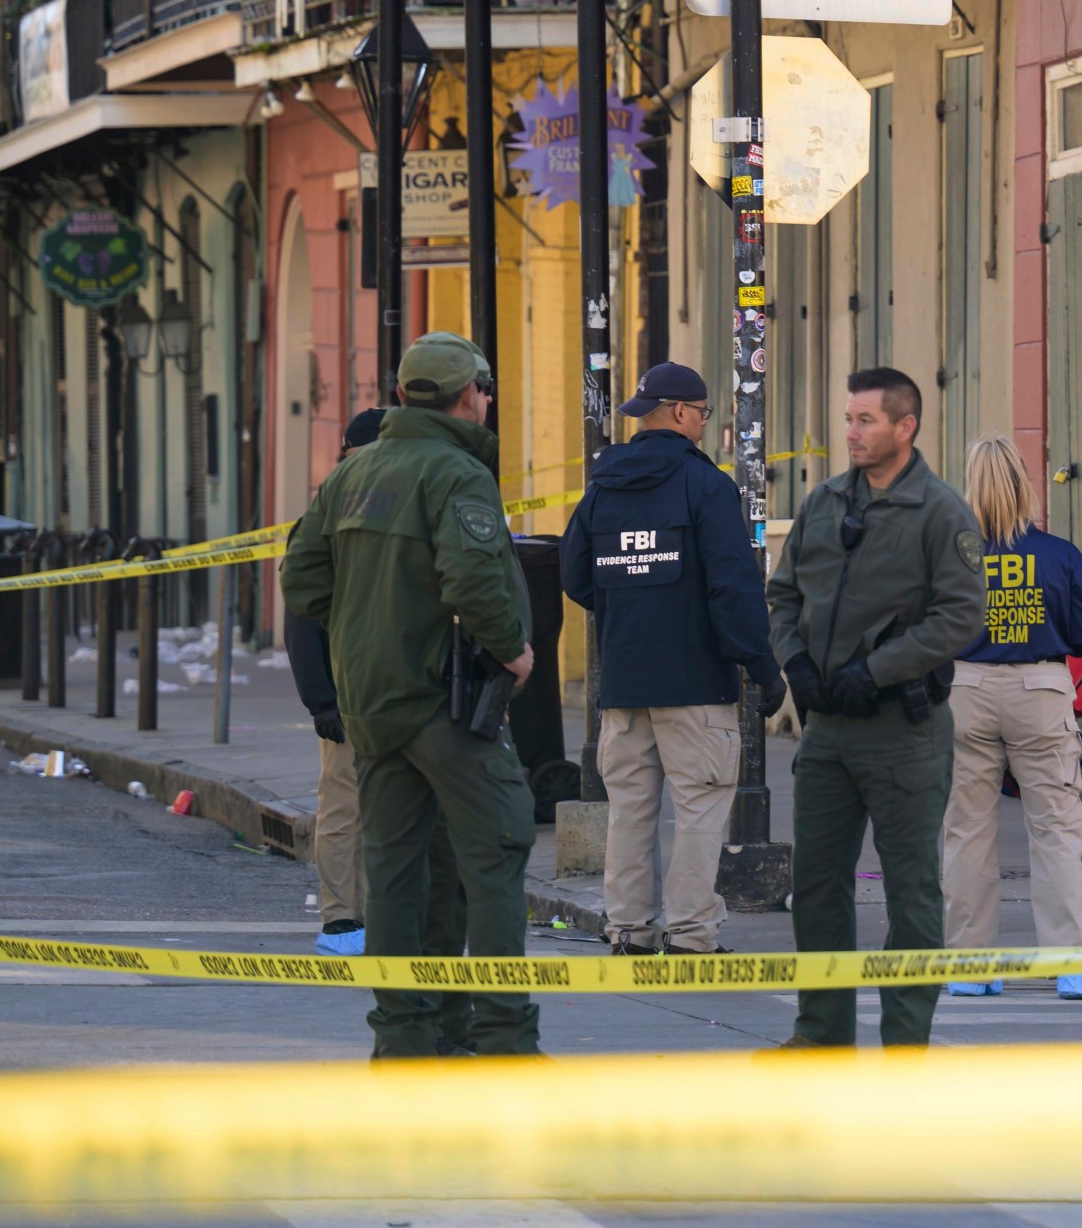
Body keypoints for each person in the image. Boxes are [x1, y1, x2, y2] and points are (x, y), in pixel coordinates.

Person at [281, 331, 541, 1058]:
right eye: (484, 392)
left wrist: (369, 621)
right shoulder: (455, 473)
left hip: (370, 704)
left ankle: (406, 1038)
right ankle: (501, 1035)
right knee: (497, 842)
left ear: (402, 395)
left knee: (398, 869)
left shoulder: (351, 475)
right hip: (440, 699)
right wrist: (512, 652)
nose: (486, 404)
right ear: (470, 398)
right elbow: (474, 582)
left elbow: (301, 579)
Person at [766, 367, 986, 1049]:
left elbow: (960, 617)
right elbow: (782, 596)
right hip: (828, 731)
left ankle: (905, 1048)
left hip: (903, 732)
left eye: (866, 421)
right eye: (849, 419)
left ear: (905, 427)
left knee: (911, 892)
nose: (852, 433)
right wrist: (794, 662)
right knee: (817, 885)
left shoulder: (940, 511)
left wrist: (877, 670)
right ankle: (820, 1036)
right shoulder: (826, 503)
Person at [560, 362, 784, 955]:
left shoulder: (602, 486)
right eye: (704, 415)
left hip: (626, 682)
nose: (705, 426)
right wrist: (761, 667)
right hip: (695, 684)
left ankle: (630, 930)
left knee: (630, 812)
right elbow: (733, 589)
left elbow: (575, 575)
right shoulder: (706, 487)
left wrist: (626, 609)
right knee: (701, 810)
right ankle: (690, 936)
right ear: (682, 412)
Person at [938, 436, 1082, 1002]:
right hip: (1040, 691)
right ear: (1026, 484)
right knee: (1056, 831)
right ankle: (1074, 966)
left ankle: (970, 965)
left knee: (966, 833)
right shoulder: (1060, 555)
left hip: (964, 689)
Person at [290, 407, 387, 957]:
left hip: (391, 689)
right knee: (346, 807)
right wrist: (321, 701)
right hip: (349, 692)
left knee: (383, 808)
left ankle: (374, 915)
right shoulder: (327, 517)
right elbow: (302, 618)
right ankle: (341, 920)